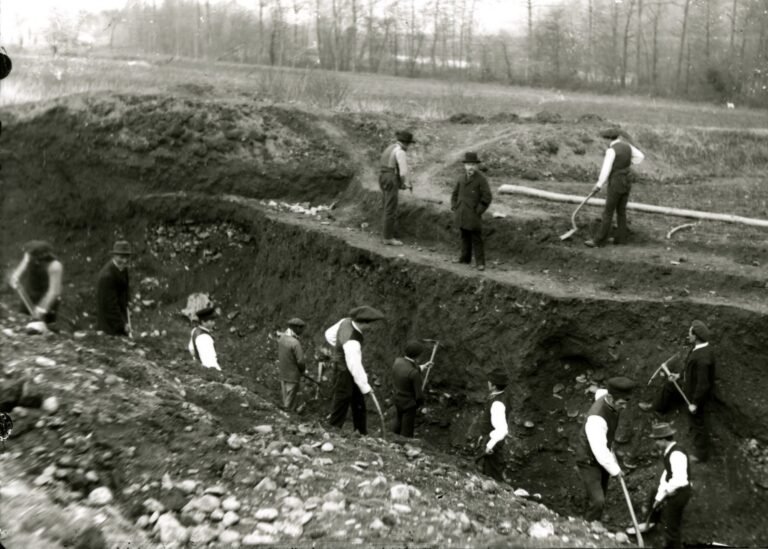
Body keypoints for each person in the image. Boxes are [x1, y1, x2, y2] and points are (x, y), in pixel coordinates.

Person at [575, 376, 637, 522]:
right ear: (610, 397)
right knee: (598, 501)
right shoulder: (597, 419)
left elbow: (599, 393)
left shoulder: (606, 397)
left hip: (602, 455)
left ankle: (592, 522)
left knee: (599, 493)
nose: (625, 406)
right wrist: (616, 471)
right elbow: (600, 451)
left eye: (627, 402)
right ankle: (588, 530)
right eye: (622, 403)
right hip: (589, 459)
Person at [653, 320, 715, 462]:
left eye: (690, 333)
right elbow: (691, 371)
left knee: (697, 421)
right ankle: (657, 407)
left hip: (695, 394)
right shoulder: (698, 348)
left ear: (696, 336)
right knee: (670, 385)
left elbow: (703, 384)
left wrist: (695, 403)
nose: (688, 335)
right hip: (688, 385)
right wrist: (679, 376)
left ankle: (701, 454)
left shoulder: (703, 358)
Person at [324, 305, 385, 435]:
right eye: (370, 324)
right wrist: (366, 387)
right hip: (343, 371)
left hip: (345, 366)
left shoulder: (345, 321)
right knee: (342, 399)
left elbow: (329, 334)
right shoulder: (352, 342)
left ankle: (361, 431)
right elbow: (355, 365)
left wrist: (338, 349)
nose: (371, 327)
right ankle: (333, 430)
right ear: (363, 323)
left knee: (358, 400)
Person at [585, 128, 645, 247]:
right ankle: (621, 239)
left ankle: (599, 241)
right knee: (621, 211)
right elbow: (640, 156)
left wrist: (598, 185)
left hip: (616, 181)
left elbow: (606, 169)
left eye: (603, 140)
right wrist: (627, 163)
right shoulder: (627, 146)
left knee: (608, 212)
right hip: (627, 180)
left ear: (607, 139)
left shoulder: (611, 151)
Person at [642, 422, 693, 549]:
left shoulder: (676, 454)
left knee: (672, 527)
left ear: (664, 440)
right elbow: (667, 475)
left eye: (657, 441)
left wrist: (666, 491)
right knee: (670, 523)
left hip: (680, 492)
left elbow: (679, 479)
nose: (656, 444)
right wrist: (659, 498)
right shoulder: (669, 452)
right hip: (676, 490)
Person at [451, 152, 492, 271]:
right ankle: (465, 258)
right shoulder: (461, 178)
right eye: (468, 164)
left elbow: (487, 197)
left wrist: (478, 211)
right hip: (461, 212)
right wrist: (454, 206)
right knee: (464, 235)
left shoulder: (481, 179)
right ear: (464, 166)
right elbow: (454, 194)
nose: (471, 167)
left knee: (476, 238)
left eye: (473, 164)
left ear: (477, 165)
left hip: (473, 214)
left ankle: (480, 263)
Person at [9, 240, 63, 325]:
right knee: (22, 320)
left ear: (41, 256)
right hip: (31, 292)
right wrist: (15, 277)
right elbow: (22, 267)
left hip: (48, 296)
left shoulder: (55, 266)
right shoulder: (29, 255)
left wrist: (42, 308)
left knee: (46, 325)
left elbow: (54, 292)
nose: (29, 257)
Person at [378, 130, 415, 246]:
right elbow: (403, 171)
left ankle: (384, 233)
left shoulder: (390, 148)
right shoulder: (400, 152)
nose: (409, 146)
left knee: (385, 206)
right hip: (390, 178)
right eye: (409, 144)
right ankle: (388, 237)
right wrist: (406, 183)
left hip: (382, 177)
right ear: (406, 143)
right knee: (391, 209)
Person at [391, 340, 432, 438]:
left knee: (398, 421)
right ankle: (404, 446)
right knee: (407, 429)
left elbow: (407, 370)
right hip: (409, 404)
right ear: (417, 356)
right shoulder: (414, 374)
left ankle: (392, 439)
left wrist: (422, 367)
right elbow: (419, 395)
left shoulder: (398, 361)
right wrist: (419, 404)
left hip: (397, 399)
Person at [478, 368, 512, 482]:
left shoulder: (497, 403)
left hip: (493, 441)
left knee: (492, 471)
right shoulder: (498, 396)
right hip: (490, 438)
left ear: (493, 385)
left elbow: (502, 429)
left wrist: (490, 444)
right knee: (488, 468)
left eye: (489, 381)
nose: (487, 383)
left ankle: (498, 493)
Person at [96, 240, 133, 336]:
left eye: (126, 257)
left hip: (120, 317)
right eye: (121, 257)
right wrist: (122, 325)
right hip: (109, 326)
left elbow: (125, 287)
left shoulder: (123, 268)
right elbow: (110, 307)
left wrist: (128, 300)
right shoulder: (107, 276)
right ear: (114, 256)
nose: (125, 260)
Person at [278, 317, 307, 411]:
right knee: (289, 404)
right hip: (292, 376)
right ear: (297, 328)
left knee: (285, 399)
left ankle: (285, 415)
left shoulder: (282, 338)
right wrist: (302, 370)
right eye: (302, 328)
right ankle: (288, 419)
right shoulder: (295, 343)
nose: (303, 331)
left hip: (283, 374)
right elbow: (301, 361)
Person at [189, 306, 221, 371]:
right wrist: (220, 373)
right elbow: (210, 363)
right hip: (206, 372)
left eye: (214, 320)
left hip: (199, 368)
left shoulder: (195, 330)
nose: (214, 323)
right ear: (203, 322)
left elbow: (192, 350)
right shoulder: (204, 337)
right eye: (211, 320)